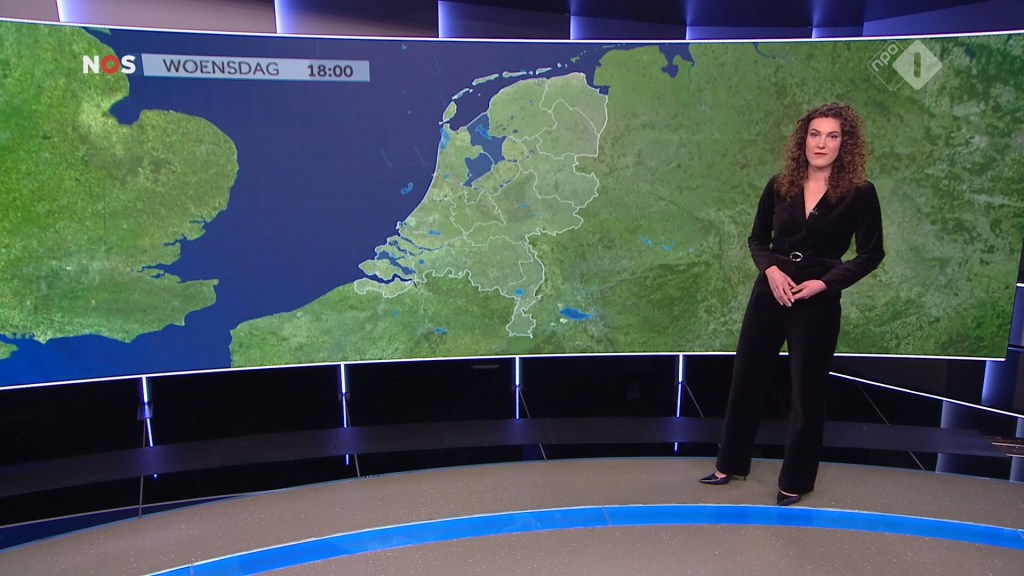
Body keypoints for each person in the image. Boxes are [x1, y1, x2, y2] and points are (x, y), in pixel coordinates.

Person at [699, 102, 884, 506]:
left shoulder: (860, 194)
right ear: (804, 139)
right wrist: (770, 270)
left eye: (832, 136)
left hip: (816, 299)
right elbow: (757, 239)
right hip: (772, 289)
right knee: (746, 378)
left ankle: (795, 480)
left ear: (845, 143)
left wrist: (825, 283)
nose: (821, 143)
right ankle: (729, 464)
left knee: (807, 392)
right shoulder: (780, 185)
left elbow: (871, 254)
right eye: (815, 134)